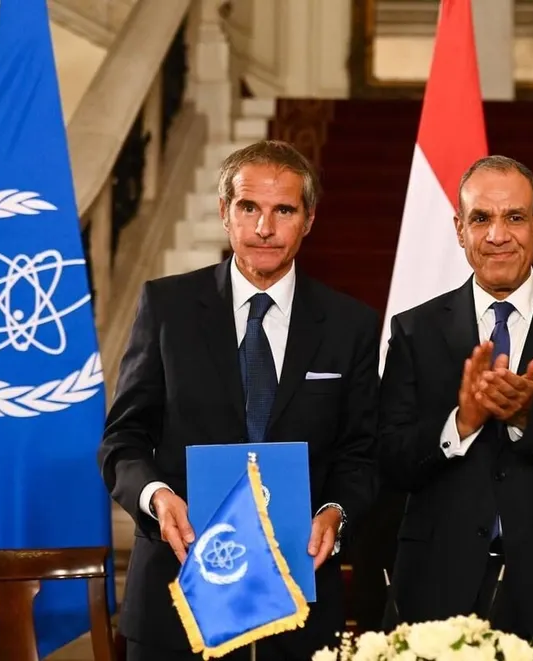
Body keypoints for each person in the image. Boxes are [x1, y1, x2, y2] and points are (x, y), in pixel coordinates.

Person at [98, 140, 380, 661]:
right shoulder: (167, 307)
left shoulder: (351, 325)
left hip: (300, 604)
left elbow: (361, 454)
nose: (264, 228)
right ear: (225, 213)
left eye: (284, 210)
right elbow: (123, 441)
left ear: (309, 219)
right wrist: (158, 498)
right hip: (177, 598)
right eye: (249, 207)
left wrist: (337, 511)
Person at [377, 155, 533, 649]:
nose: (497, 235)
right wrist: (461, 424)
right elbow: (390, 460)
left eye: (514, 217)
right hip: (436, 589)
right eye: (481, 218)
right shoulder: (414, 329)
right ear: (458, 229)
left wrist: (529, 418)